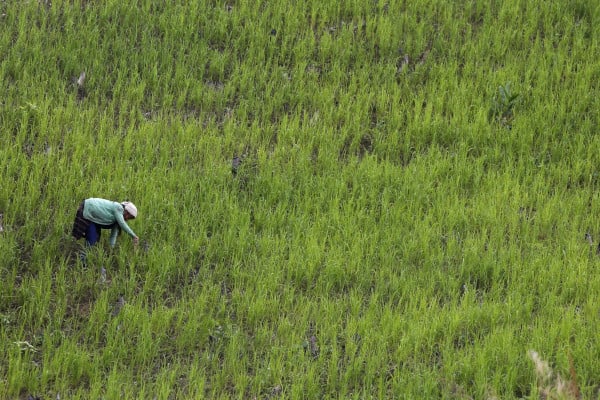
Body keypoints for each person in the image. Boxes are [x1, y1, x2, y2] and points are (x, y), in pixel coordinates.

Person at [72, 198, 139, 247]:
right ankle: (83, 261)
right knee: (92, 239)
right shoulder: (118, 207)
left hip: (93, 218)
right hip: (88, 210)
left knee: (94, 239)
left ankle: (84, 260)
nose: (127, 218)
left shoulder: (116, 220)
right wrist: (133, 236)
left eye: (129, 218)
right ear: (126, 210)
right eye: (128, 215)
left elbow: (113, 236)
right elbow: (122, 224)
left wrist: (111, 249)